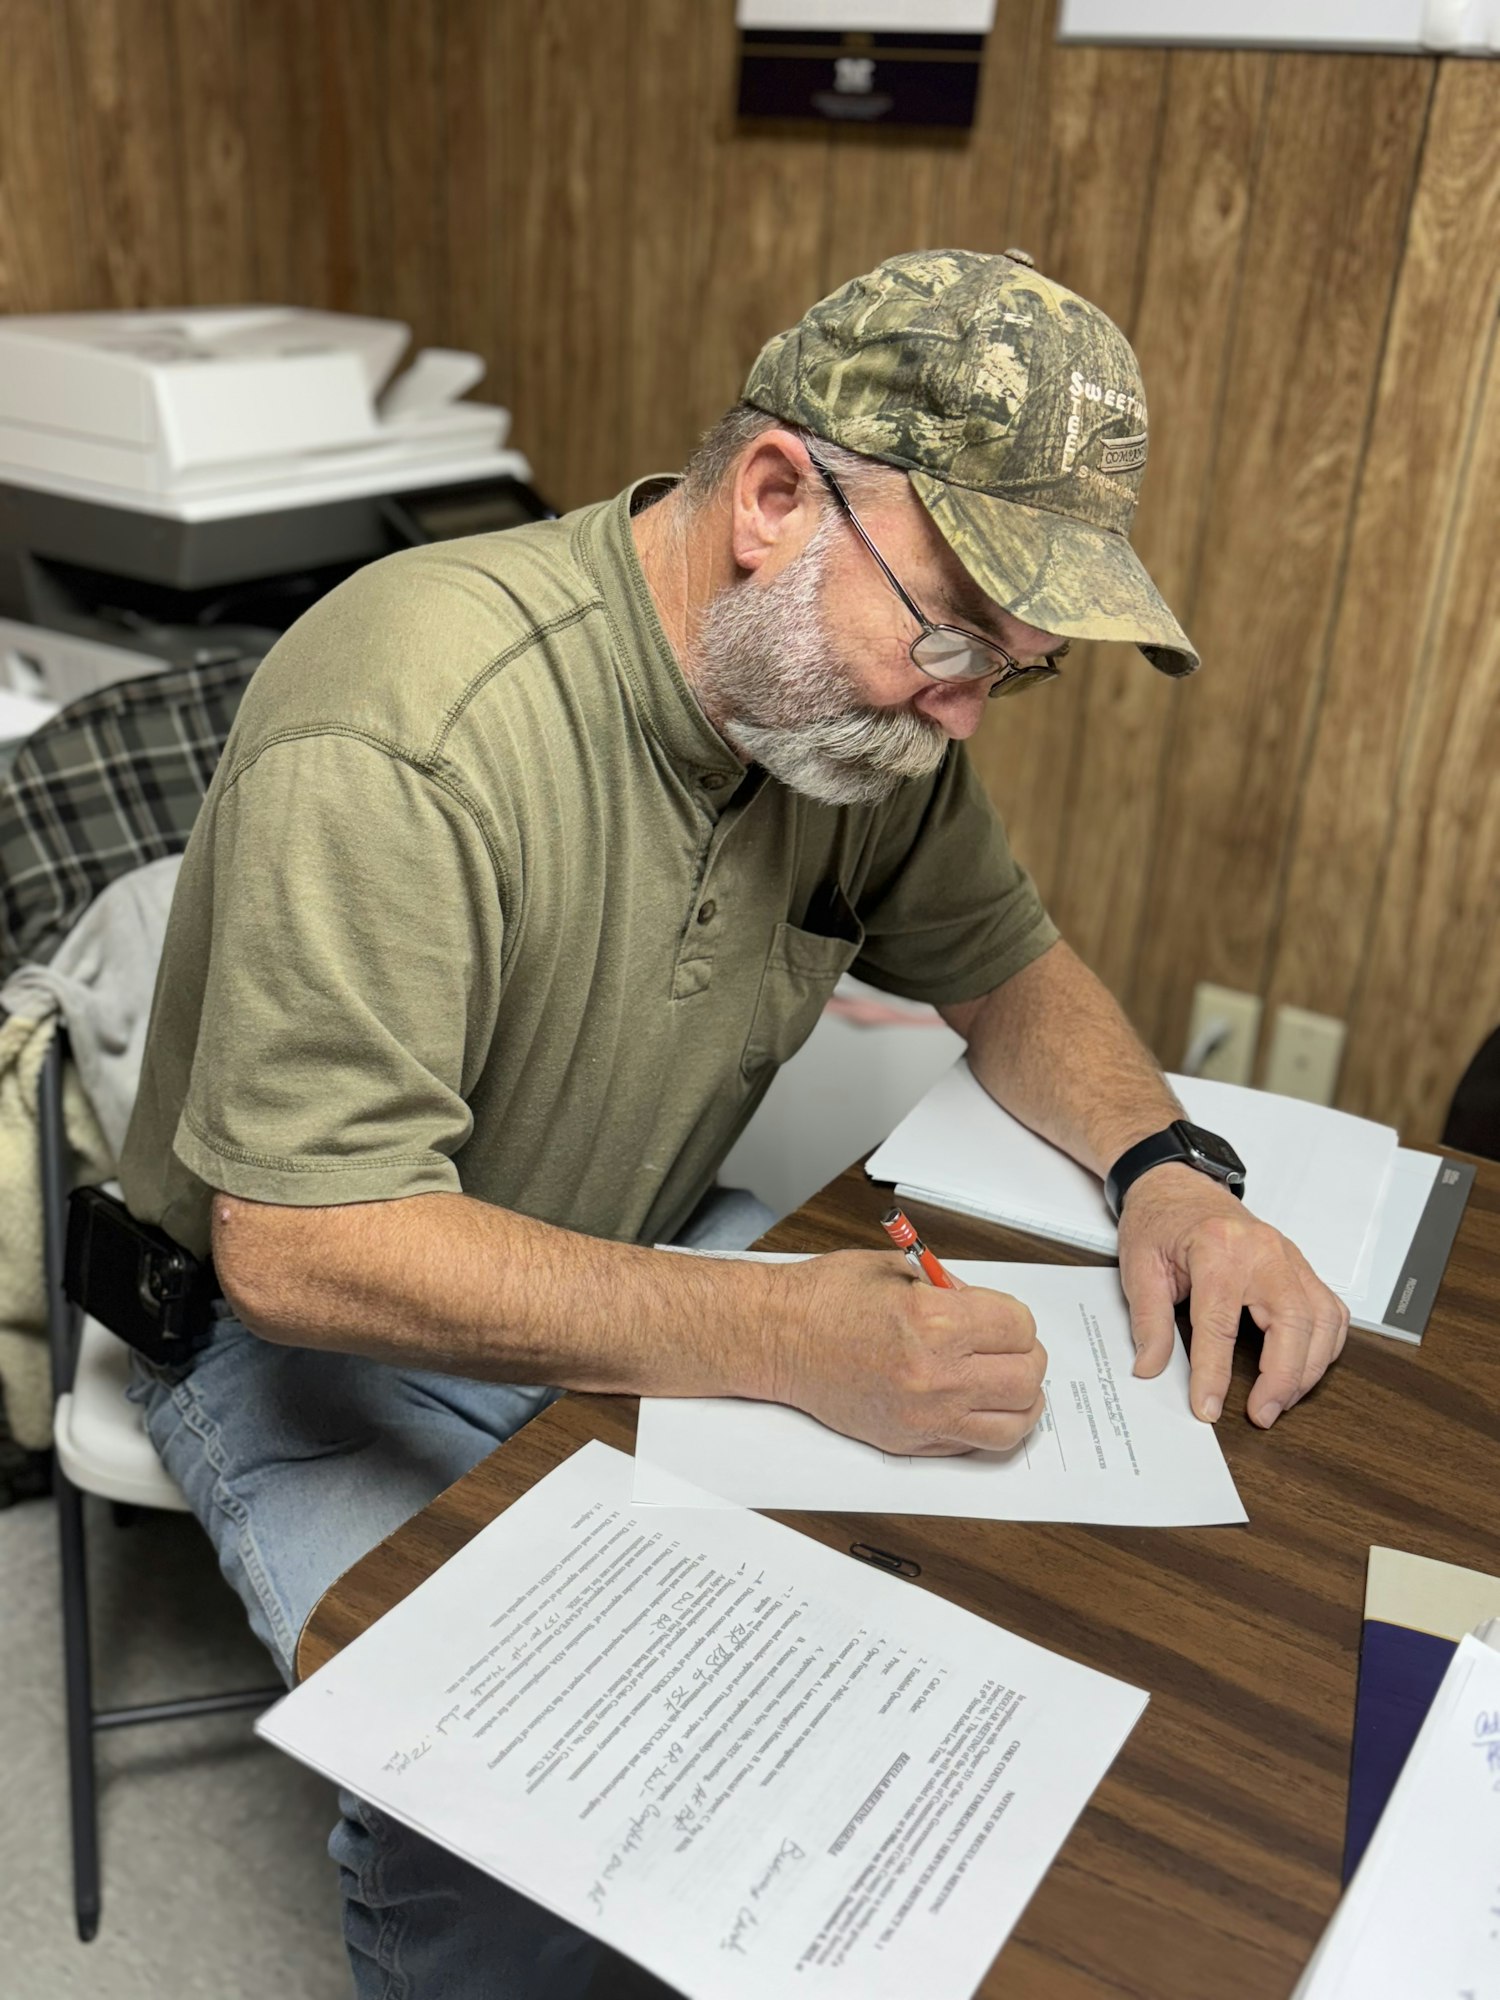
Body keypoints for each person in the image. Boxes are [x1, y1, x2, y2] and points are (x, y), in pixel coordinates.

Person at [119, 248, 1348, 1998]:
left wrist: (1169, 1172)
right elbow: (308, 1246)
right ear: (776, 496)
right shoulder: (412, 721)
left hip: (618, 1241)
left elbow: (1012, 973)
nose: (961, 706)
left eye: (1010, 665)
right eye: (946, 635)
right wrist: (777, 1332)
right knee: (524, 1788)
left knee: (915, 1611)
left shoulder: (846, 715)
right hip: (303, 1330)